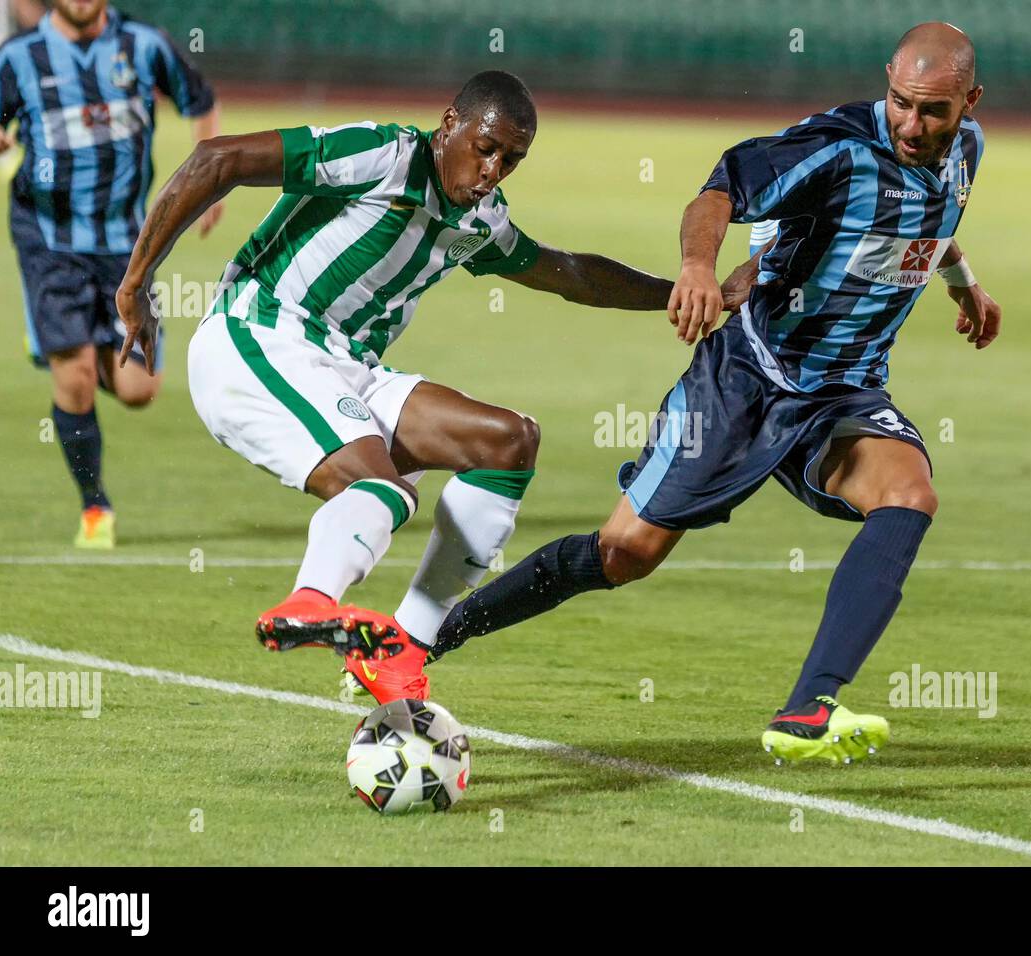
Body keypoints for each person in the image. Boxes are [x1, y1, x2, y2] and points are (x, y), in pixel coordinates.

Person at [430, 24, 1004, 766]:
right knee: (624, 555)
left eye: (934, 111)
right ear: (885, 82)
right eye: (900, 103)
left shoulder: (967, 152)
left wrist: (963, 284)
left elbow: (931, 217)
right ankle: (438, 630)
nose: (913, 125)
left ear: (970, 102)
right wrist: (698, 268)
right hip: (746, 381)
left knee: (909, 495)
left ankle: (807, 709)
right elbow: (721, 189)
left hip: (842, 392)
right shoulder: (834, 147)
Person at [115, 70, 750, 703]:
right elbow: (217, 157)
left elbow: (571, 274)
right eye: (487, 147)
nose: (494, 169)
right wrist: (138, 280)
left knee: (507, 442)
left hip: (345, 364)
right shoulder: (383, 155)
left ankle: (404, 654)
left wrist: (692, 292)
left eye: (513, 158)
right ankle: (309, 603)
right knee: (378, 487)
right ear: (450, 124)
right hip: (257, 339)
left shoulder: (480, 222)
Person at [0, 0, 220, 547]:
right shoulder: (18, 57)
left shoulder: (145, 46)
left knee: (138, 387)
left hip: (129, 243)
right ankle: (95, 506)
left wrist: (208, 181)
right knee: (73, 378)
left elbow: (201, 100)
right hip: (49, 239)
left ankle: (82, 341)